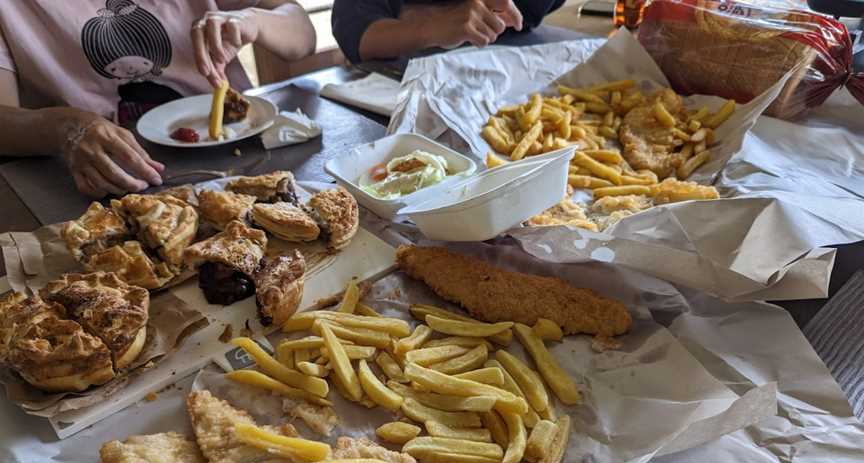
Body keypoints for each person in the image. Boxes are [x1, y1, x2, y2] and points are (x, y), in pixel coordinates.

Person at [0, 0, 315, 198]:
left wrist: (254, 20)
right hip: (109, 180)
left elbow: (302, 36)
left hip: (244, 160)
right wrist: (64, 126)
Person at [332, 0, 566, 64]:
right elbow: (356, 32)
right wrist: (431, 26)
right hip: (403, 76)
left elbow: (533, 11)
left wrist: (413, 12)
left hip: (523, 59)